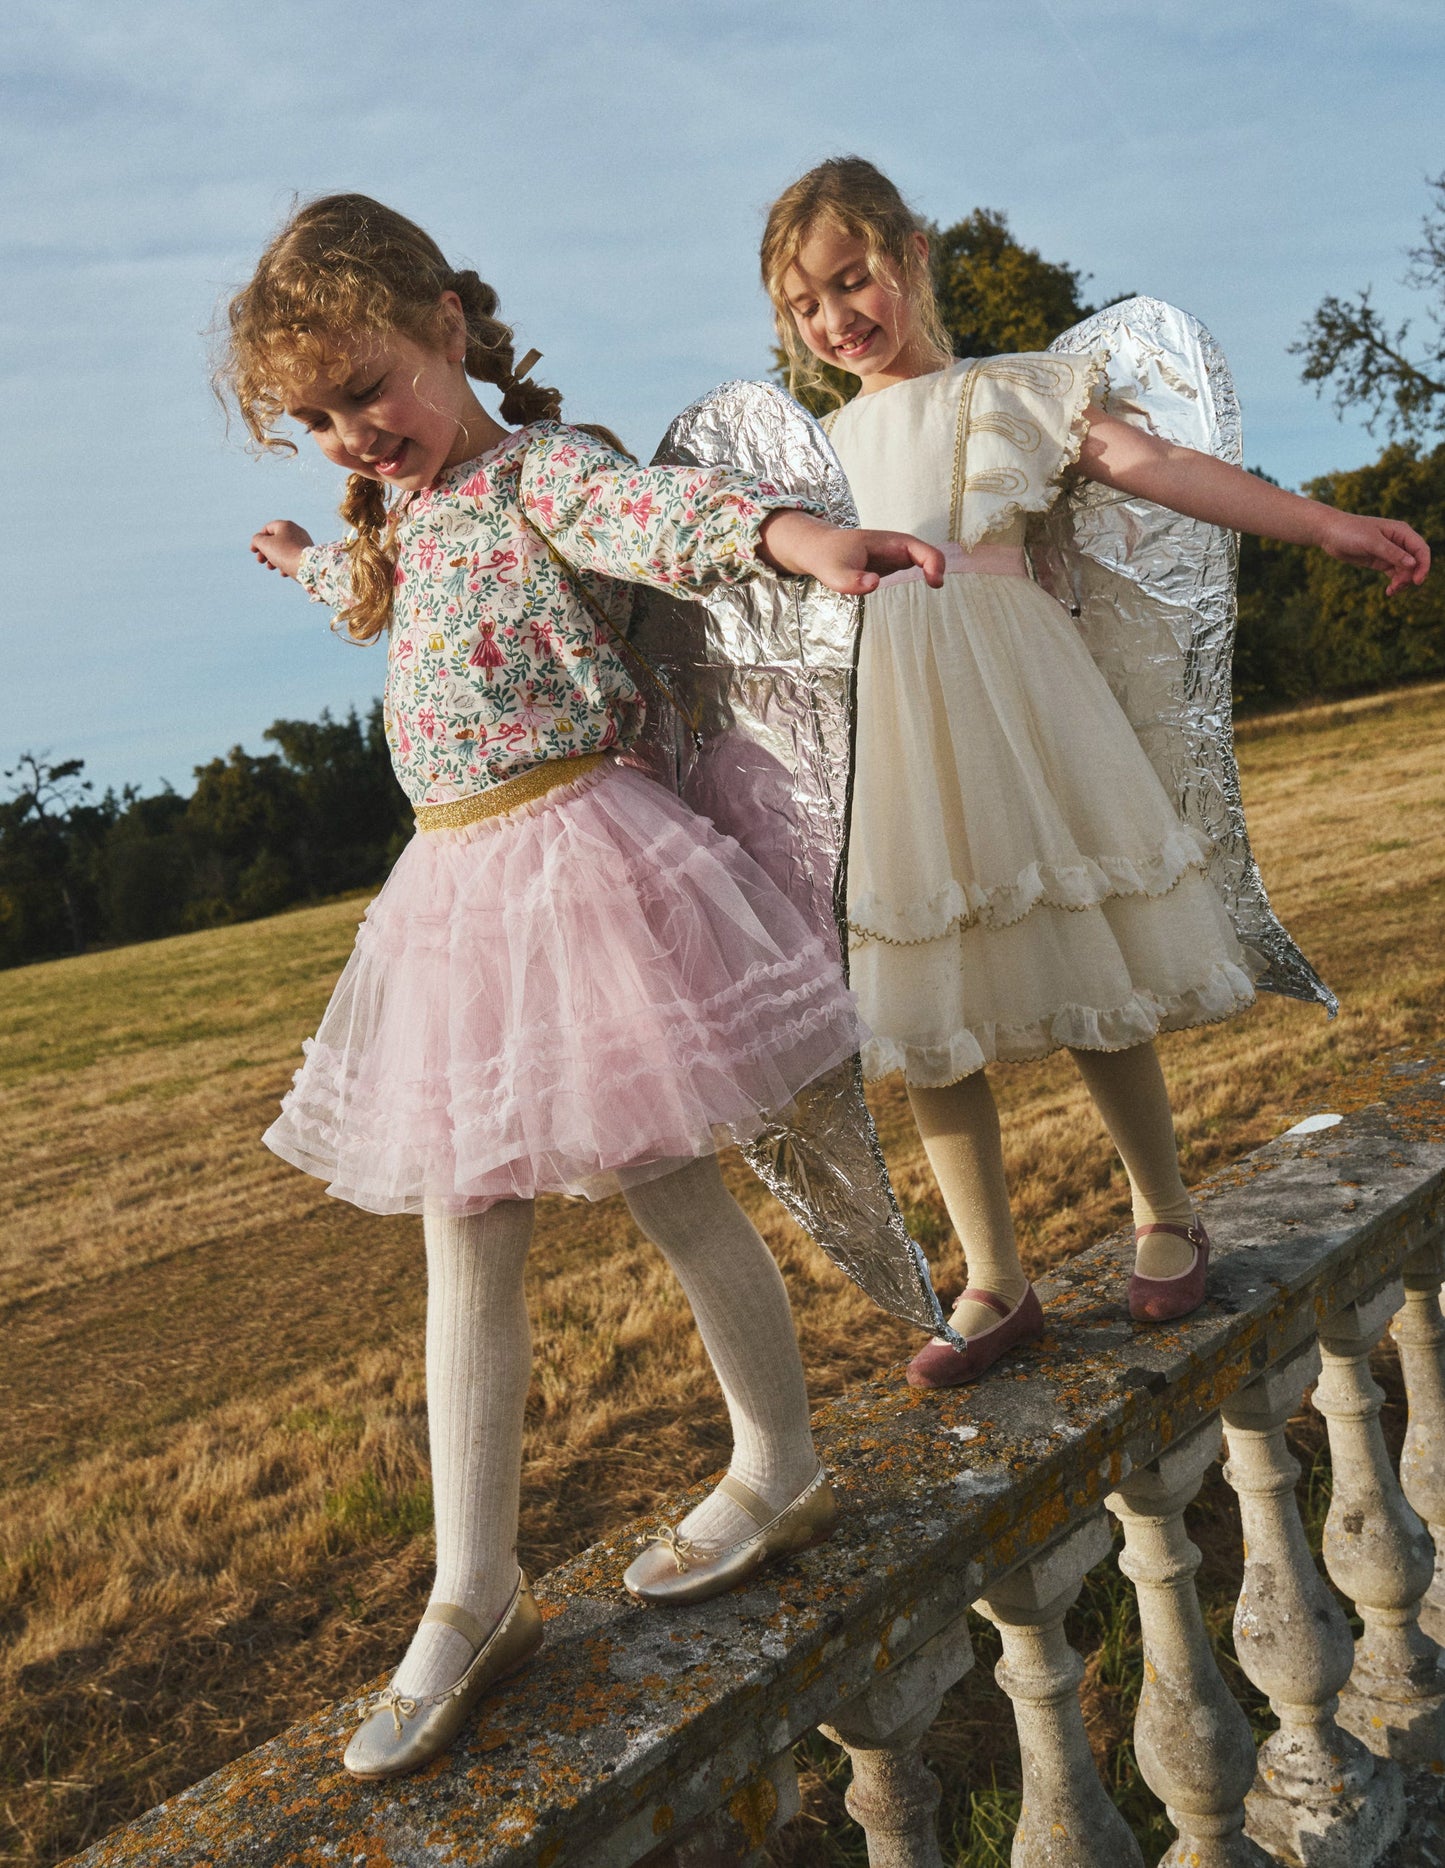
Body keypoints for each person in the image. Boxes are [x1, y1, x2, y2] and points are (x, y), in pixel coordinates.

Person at [221, 192, 945, 1777]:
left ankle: (779, 1455)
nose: (355, 433)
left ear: (449, 330)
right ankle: (475, 1589)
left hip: (583, 866)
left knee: (675, 1185)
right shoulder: (395, 524)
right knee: (464, 1227)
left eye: (373, 389)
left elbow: (662, 522)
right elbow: (372, 612)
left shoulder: (547, 471)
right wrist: (301, 562)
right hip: (456, 896)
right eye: (321, 419)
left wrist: (796, 538)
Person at [760, 157, 1430, 1388]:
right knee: (923, 1004)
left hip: (1020, 704)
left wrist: (1325, 523)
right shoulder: (808, 458)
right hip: (892, 733)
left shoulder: (1007, 392)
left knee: (1086, 951)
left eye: (852, 280)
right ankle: (990, 1277)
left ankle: (1163, 1206)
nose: (835, 317)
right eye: (804, 305)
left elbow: (1158, 468)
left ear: (909, 255)